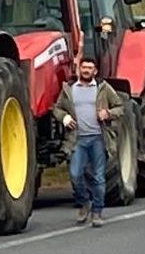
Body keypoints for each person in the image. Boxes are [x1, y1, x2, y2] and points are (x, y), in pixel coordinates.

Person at [52, 56, 124, 227]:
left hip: (98, 138)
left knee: (99, 177)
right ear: (79, 70)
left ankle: (97, 212)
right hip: (78, 139)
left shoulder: (103, 88)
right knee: (75, 174)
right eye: (84, 68)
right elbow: (57, 108)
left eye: (90, 68)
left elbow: (120, 107)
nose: (86, 71)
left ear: (95, 71)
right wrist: (64, 118)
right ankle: (85, 202)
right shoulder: (69, 89)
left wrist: (108, 114)